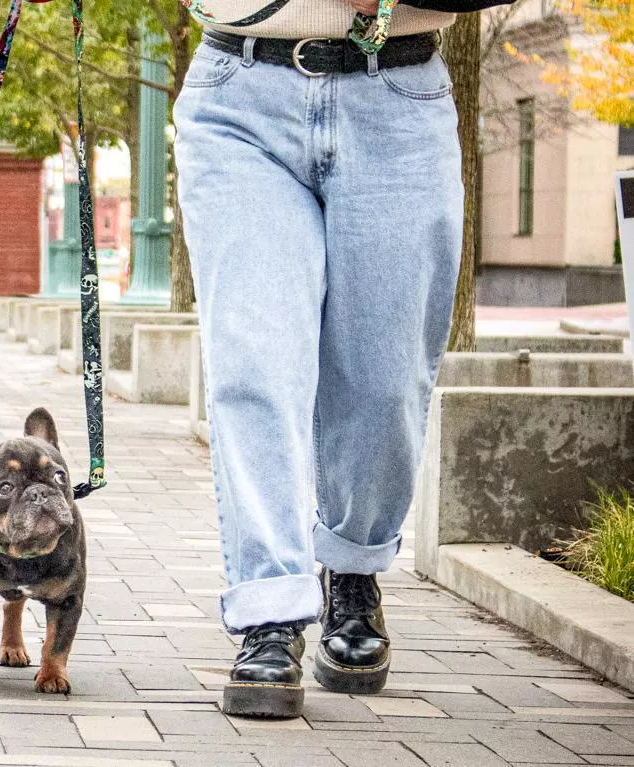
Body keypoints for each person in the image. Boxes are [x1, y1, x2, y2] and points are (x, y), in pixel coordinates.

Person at [172, 0, 513, 719]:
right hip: (240, 92)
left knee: (387, 380)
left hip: (399, 95)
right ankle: (270, 609)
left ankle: (353, 567)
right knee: (255, 364)